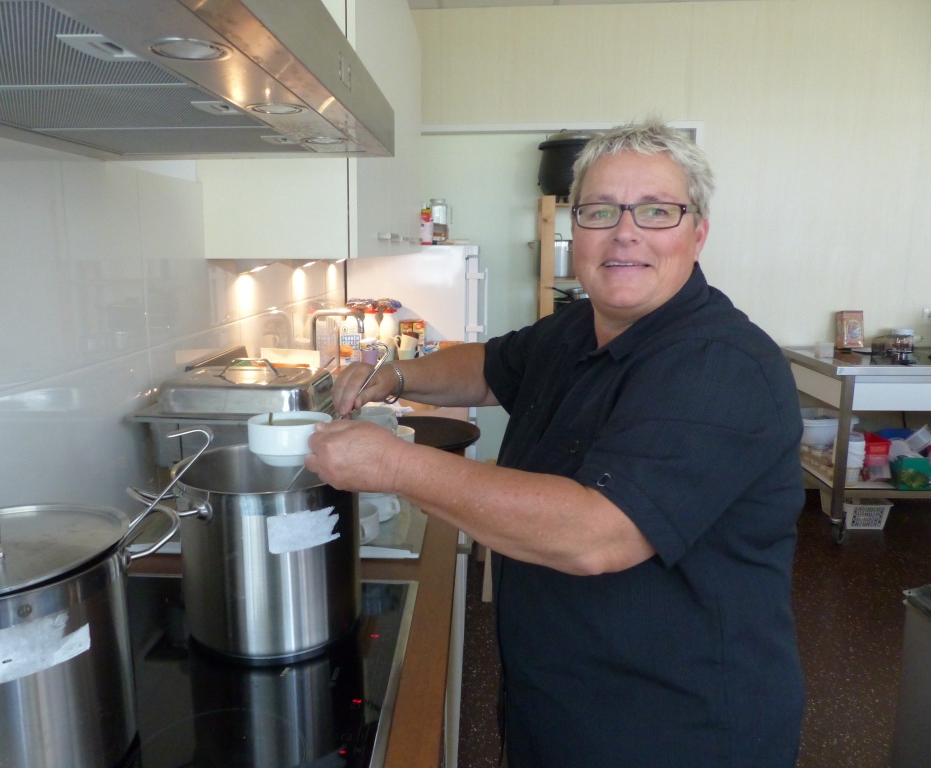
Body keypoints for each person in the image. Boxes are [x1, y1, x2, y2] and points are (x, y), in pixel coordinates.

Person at [306, 118, 805, 767]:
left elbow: (597, 534)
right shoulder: (579, 327)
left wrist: (396, 465)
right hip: (561, 704)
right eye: (601, 210)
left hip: (675, 728)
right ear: (577, 229)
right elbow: (490, 366)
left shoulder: (720, 367)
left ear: (698, 233)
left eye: (656, 211)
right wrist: (396, 375)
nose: (625, 232)